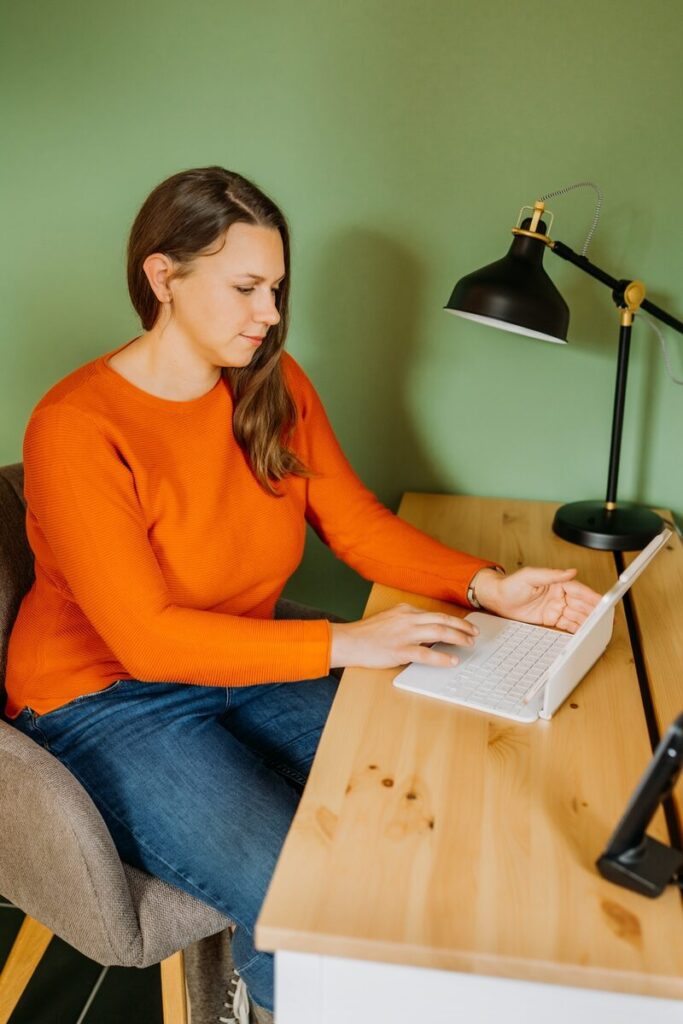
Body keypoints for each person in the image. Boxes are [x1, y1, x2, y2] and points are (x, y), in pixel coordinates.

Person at [4, 166, 600, 1022]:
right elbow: (148, 641)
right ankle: (276, 999)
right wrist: (350, 642)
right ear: (162, 277)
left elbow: (352, 521)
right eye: (246, 287)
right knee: (305, 889)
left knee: (421, 786)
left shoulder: (268, 387)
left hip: (243, 662)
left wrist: (486, 585)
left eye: (276, 288)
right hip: (106, 699)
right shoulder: (76, 426)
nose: (270, 314)